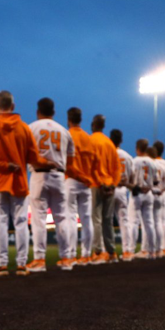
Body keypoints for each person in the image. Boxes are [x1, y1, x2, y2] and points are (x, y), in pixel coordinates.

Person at [0, 90, 51, 277]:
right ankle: (21, 264)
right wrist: (49, 163)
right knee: (20, 224)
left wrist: (2, 165)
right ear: (13, 106)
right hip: (19, 181)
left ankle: (2, 265)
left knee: (0, 223)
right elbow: (34, 157)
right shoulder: (24, 128)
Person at [27, 97, 74, 273]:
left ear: (38, 111)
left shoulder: (31, 127)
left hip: (39, 176)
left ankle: (39, 259)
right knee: (62, 218)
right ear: (54, 112)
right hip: (60, 176)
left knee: (39, 219)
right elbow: (71, 161)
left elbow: (26, 154)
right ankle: (67, 258)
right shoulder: (64, 131)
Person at [64, 107, 98, 266]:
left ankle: (71, 254)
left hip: (71, 179)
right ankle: (86, 254)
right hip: (86, 182)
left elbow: (64, 161)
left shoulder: (68, 135)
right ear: (81, 119)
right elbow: (96, 162)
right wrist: (88, 177)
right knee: (86, 219)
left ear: (69, 119)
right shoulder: (89, 138)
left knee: (70, 218)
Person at [88, 115, 122, 264]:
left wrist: (101, 183)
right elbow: (117, 169)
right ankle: (112, 252)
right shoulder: (109, 143)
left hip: (97, 185)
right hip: (110, 186)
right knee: (107, 220)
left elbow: (91, 166)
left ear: (93, 125)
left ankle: (98, 252)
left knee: (96, 219)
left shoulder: (91, 140)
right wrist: (112, 185)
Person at [110, 129, 137, 261]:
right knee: (124, 221)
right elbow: (132, 177)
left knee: (107, 221)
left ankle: (109, 252)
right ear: (121, 140)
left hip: (109, 189)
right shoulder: (127, 156)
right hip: (122, 190)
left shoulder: (108, 153)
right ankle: (127, 251)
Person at [131, 139, 158, 258]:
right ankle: (151, 251)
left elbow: (130, 177)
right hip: (149, 193)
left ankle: (129, 251)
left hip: (137, 192)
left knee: (134, 222)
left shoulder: (135, 160)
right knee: (149, 223)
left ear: (137, 148)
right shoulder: (152, 162)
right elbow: (156, 180)